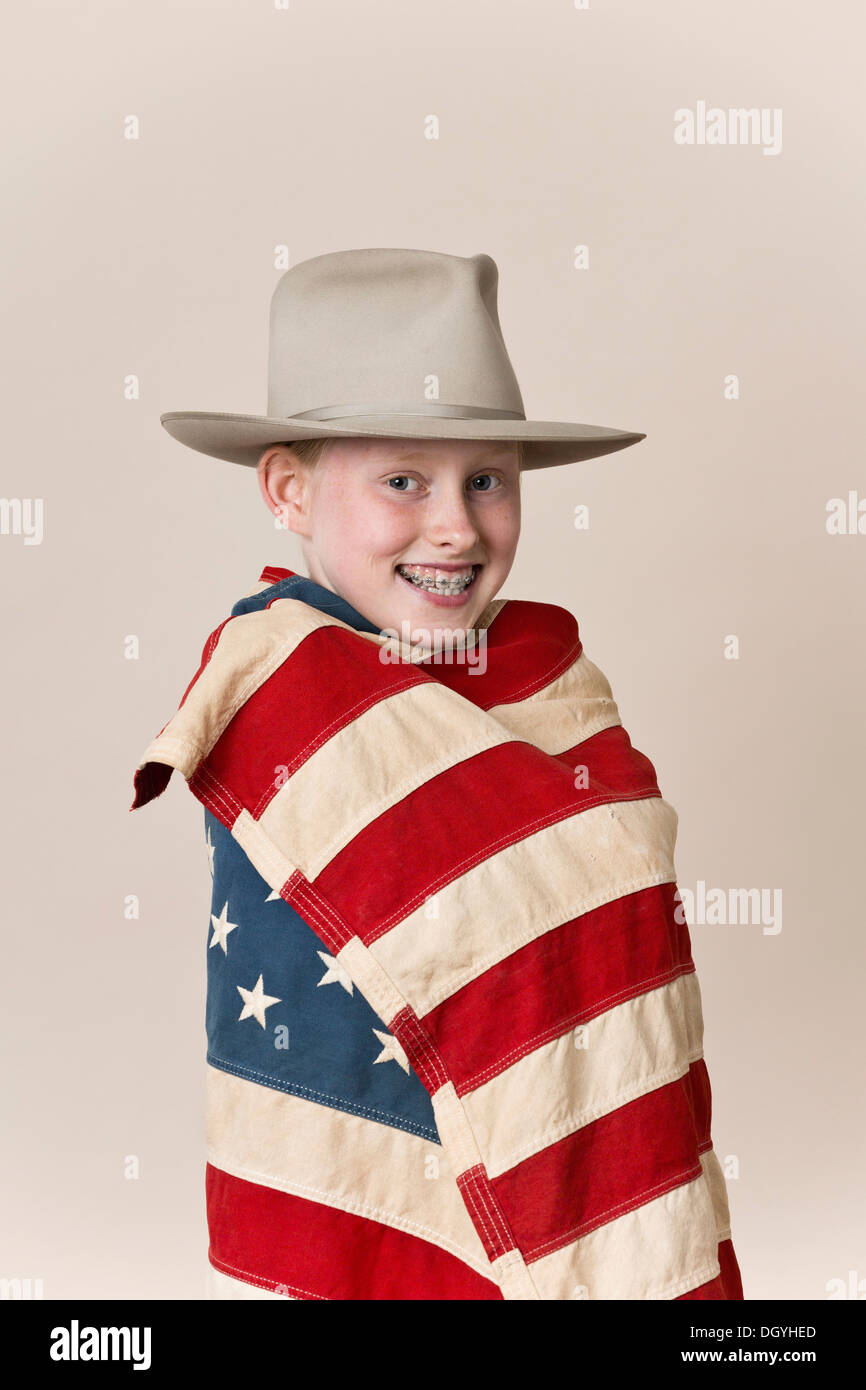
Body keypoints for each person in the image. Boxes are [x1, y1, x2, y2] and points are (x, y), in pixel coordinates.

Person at [131, 247, 744, 1301]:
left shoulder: (551, 675)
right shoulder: (274, 677)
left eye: (487, 480)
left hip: (567, 1156)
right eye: (402, 480)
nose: (456, 525)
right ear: (287, 487)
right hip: (375, 1160)